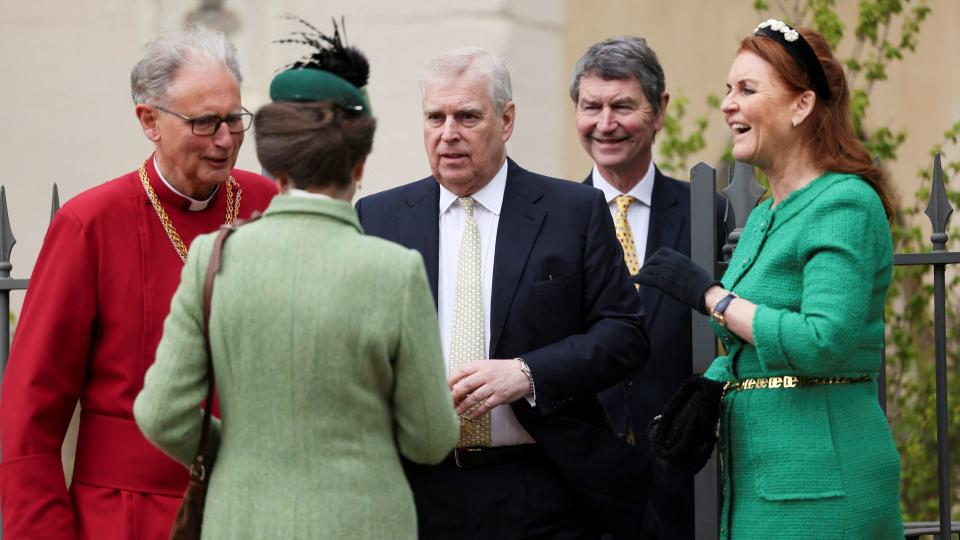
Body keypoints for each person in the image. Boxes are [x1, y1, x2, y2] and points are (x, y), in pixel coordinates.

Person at [135, 29, 459, 539]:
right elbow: (430, 438)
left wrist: (239, 453)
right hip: (364, 520)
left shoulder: (212, 258)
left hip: (240, 519)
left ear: (275, 165)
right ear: (359, 164)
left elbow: (160, 414)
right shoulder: (395, 272)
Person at [356, 47, 651, 539]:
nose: (448, 134)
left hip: (540, 484)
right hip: (417, 488)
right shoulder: (379, 219)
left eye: (467, 116)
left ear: (506, 119)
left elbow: (625, 335)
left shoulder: (572, 212)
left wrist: (527, 373)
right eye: (435, 117)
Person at [0, 27, 278, 539]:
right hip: (127, 516)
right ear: (149, 121)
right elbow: (30, 412)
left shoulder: (271, 206)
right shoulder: (91, 224)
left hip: (258, 511)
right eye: (204, 122)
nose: (224, 139)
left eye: (234, 119)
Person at [636, 19, 902, 539]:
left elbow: (823, 341)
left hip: (825, 489)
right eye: (727, 91)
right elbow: (750, 344)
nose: (728, 105)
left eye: (747, 90)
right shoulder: (763, 214)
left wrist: (710, 295)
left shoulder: (844, 203)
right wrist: (705, 390)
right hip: (761, 480)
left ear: (802, 106)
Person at [570, 36, 730, 540]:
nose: (605, 123)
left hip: (688, 482)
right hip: (586, 487)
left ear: (659, 110)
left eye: (623, 106)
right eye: (591, 106)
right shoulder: (552, 220)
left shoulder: (712, 214)